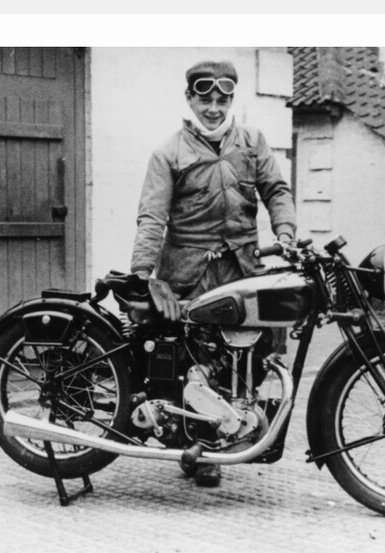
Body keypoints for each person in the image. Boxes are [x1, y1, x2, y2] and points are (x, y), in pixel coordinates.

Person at [130, 60, 297, 488]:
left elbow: (276, 190)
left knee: (249, 353)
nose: (213, 108)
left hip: (242, 269)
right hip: (189, 274)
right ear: (190, 99)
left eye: (222, 100)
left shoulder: (253, 143)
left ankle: (234, 428)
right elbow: (152, 217)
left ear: (231, 101)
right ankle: (203, 448)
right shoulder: (169, 153)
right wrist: (142, 274)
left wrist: (285, 231)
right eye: (205, 100)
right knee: (195, 359)